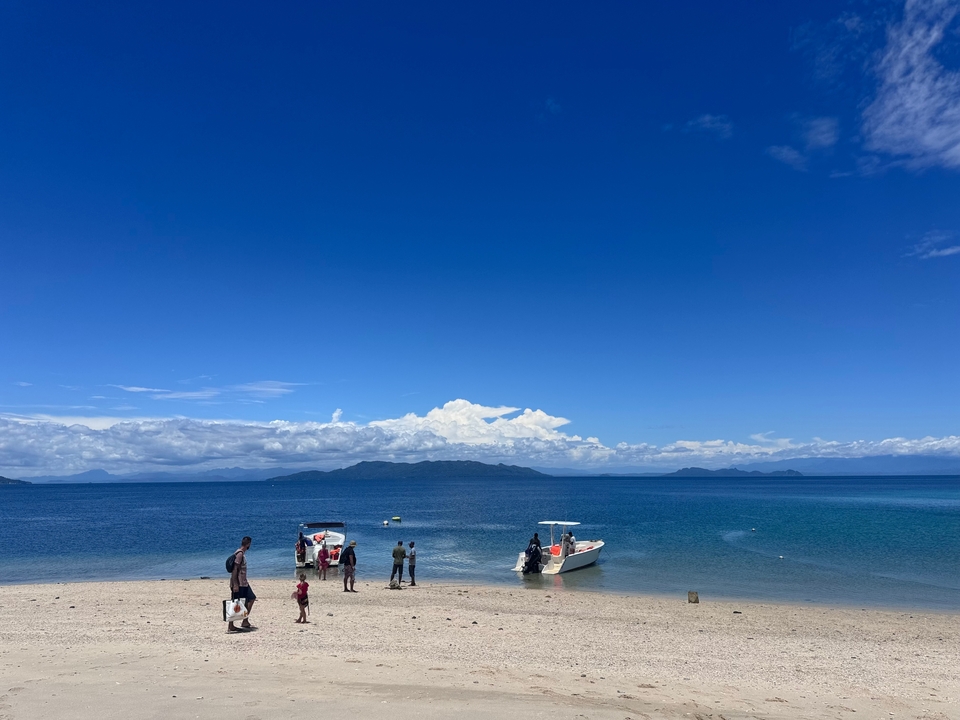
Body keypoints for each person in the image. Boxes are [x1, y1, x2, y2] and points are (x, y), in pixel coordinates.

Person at [228, 536, 255, 632]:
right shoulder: (239, 554)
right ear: (248, 544)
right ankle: (231, 625)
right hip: (239, 584)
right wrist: (235, 584)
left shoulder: (241, 553)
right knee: (235, 603)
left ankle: (245, 620)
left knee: (251, 598)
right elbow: (235, 569)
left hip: (244, 583)